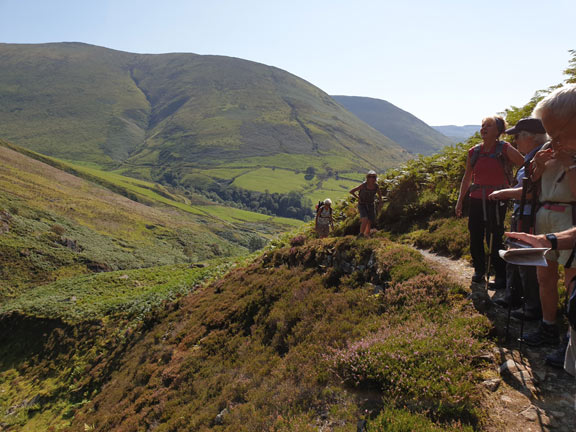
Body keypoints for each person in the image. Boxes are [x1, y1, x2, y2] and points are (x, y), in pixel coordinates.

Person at [506, 84, 576, 370]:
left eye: (558, 133)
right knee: (544, 276)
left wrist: (569, 164)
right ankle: (548, 326)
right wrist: (537, 166)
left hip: (569, 215)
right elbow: (531, 184)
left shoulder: (570, 152)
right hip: (545, 213)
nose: (554, 139)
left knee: (571, 282)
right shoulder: (548, 148)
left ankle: (569, 341)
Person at [488, 118, 548, 321]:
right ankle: (513, 297)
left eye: (518, 137)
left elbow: (531, 192)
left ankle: (531, 308)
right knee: (515, 254)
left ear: (529, 137)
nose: (515, 142)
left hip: (529, 215)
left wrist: (504, 192)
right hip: (523, 213)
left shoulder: (539, 159)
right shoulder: (532, 157)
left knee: (526, 260)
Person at [456, 116, 524, 287]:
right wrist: (460, 201)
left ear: (498, 131)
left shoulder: (505, 149)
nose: (483, 128)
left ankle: (500, 276)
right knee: (475, 236)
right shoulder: (474, 152)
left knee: (494, 237)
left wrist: (519, 188)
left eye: (488, 126)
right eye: (482, 125)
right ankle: (479, 271)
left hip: (497, 199)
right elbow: (467, 178)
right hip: (477, 200)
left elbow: (525, 164)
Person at [349, 170, 383, 238]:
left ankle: (366, 235)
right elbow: (351, 191)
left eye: (373, 177)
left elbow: (379, 195)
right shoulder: (364, 185)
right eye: (370, 176)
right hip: (362, 204)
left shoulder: (376, 186)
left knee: (369, 221)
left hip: (371, 204)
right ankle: (361, 235)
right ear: (367, 177)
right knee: (365, 219)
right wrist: (358, 197)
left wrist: (380, 203)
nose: (372, 178)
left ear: (375, 178)